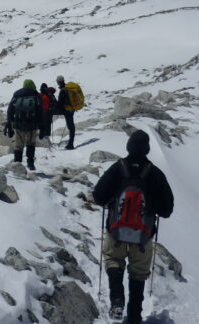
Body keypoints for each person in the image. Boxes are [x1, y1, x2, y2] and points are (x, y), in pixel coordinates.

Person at [92, 130, 174, 323]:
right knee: (138, 272)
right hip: (143, 236)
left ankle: (117, 300)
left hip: (116, 230)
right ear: (147, 149)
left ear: (128, 146)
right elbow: (166, 209)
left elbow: (98, 196)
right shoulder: (154, 173)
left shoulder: (118, 168)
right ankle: (135, 315)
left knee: (113, 260)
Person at [3, 78, 43, 170]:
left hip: (18, 124)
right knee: (31, 143)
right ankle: (30, 163)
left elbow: (10, 110)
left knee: (18, 145)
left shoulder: (17, 95)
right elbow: (40, 112)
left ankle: (17, 164)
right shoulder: (36, 96)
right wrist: (41, 125)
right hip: (32, 125)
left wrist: (9, 123)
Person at [55, 75, 77, 149]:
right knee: (71, 126)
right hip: (72, 109)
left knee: (70, 126)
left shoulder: (63, 91)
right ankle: (71, 143)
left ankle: (71, 144)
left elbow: (60, 103)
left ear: (58, 82)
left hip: (67, 110)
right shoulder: (68, 89)